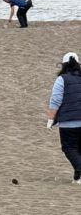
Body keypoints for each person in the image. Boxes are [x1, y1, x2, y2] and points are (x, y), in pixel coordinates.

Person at [46, 52, 81, 184]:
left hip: (68, 122)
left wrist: (50, 120)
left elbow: (55, 100)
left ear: (64, 65)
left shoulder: (62, 79)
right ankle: (77, 178)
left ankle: (80, 169)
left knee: (69, 148)